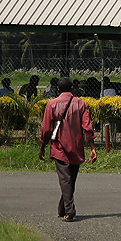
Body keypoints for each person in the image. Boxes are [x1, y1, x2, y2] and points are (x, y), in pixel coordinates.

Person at [39, 77, 96, 221]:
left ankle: (68, 211)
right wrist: (93, 148)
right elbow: (87, 127)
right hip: (76, 147)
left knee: (66, 180)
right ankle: (65, 209)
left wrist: (42, 146)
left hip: (59, 147)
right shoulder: (81, 104)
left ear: (58, 89)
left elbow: (46, 129)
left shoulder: (51, 104)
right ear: (72, 89)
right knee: (70, 180)